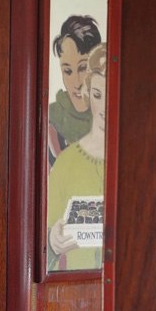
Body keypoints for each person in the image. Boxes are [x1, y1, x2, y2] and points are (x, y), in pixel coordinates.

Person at [48, 43, 106, 271]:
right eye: (98, 95)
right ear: (88, 94)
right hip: (74, 290)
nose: (105, 107)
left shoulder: (135, 163)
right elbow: (47, 233)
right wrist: (53, 239)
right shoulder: (66, 163)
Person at [48, 14, 102, 168]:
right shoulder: (52, 121)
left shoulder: (107, 118)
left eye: (83, 68)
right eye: (68, 71)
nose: (77, 83)